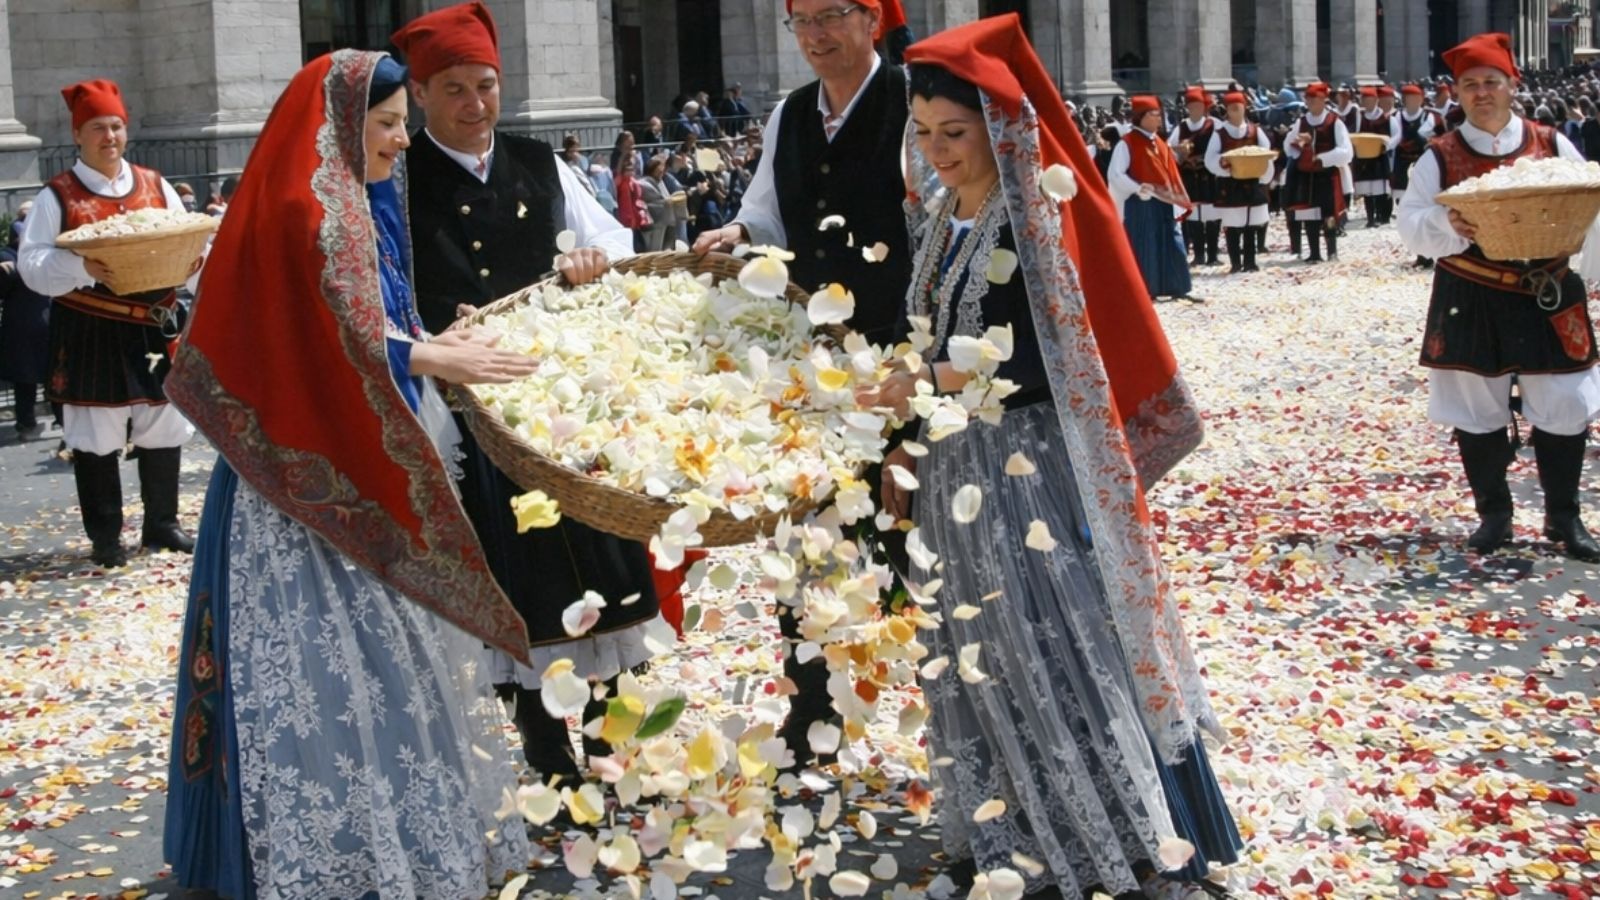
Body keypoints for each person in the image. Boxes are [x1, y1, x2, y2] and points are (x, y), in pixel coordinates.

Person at [870, 16, 1237, 896]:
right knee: (981, 644)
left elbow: (1041, 356)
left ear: (1001, 126)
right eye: (923, 134)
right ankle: (1015, 819)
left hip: (1024, 467)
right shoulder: (940, 217)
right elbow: (917, 329)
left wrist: (922, 374)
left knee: (1056, 636)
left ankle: (1109, 828)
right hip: (954, 467)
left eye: (955, 133)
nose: (939, 150)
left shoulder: (1030, 210)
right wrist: (901, 424)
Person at [162, 50, 533, 899]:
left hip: (359, 456)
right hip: (303, 486)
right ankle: (326, 853)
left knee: (389, 671)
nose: (402, 141)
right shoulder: (301, 210)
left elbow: (373, 317)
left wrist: (437, 340)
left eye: (402, 124)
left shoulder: (359, 203)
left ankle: (388, 836)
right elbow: (308, 345)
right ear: (338, 122)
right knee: (325, 673)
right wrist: (426, 354)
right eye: (389, 124)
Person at [392, 1, 670, 782]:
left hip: (562, 402)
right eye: (454, 89)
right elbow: (381, 296)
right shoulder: (397, 179)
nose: (475, 104)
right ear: (420, 95)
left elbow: (610, 242)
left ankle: (615, 737)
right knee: (521, 575)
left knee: (607, 562)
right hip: (477, 416)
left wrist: (591, 263)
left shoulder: (538, 162)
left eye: (485, 85)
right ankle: (547, 748)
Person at [689, 0, 912, 766]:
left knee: (909, 531)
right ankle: (812, 706)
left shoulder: (915, 104)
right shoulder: (788, 114)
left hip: (902, 362)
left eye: (832, 16)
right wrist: (738, 235)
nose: (816, 36)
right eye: (802, 21)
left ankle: (946, 707)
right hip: (811, 369)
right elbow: (767, 214)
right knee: (810, 538)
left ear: (872, 19)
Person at [1398, 33, 1600, 562]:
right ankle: (1495, 515)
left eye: (1491, 82)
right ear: (1458, 94)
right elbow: (1412, 225)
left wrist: (1591, 270)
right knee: (1475, 405)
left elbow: (1589, 202)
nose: (1481, 93)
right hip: (1472, 290)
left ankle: (1564, 517)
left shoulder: (1551, 143)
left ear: (1513, 86)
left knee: (1565, 402)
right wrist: (1449, 221)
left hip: (1548, 288)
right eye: (1470, 85)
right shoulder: (1438, 156)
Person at [18, 79, 197, 568]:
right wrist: (83, 267)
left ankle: (162, 525)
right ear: (78, 135)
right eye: (98, 128)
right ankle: (106, 537)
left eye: (116, 126)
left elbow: (187, 238)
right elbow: (32, 265)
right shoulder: (58, 195)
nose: (109, 137)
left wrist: (193, 264)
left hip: (154, 324)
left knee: (162, 420)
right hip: (91, 328)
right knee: (95, 430)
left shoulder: (155, 185)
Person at [1109, 95, 1198, 302]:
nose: (1159, 119)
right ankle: (1147, 290)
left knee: (1172, 241)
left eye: (1159, 115)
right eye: (1154, 115)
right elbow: (1115, 175)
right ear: (1141, 117)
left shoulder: (1159, 142)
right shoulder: (1127, 143)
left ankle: (1178, 286)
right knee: (1146, 244)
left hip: (1164, 200)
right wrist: (1138, 187)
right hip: (1142, 203)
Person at [1282, 82, 1353, 263]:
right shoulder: (1301, 122)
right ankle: (1314, 252)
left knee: (1328, 214)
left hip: (1326, 174)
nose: (1311, 102)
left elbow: (1346, 151)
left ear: (1323, 100)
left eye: (1315, 99)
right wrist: (1299, 149)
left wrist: (1322, 158)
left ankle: (1332, 250)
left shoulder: (1334, 122)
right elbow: (1288, 147)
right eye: (1308, 99)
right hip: (1305, 175)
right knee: (1309, 213)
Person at [0, 210, 54, 441]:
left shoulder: (32, 256)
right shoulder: (8, 256)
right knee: (28, 380)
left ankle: (51, 423)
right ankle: (28, 424)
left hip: (39, 323)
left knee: (49, 377)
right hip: (26, 326)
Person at [1205, 91, 1273, 273]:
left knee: (1251, 224)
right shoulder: (1220, 134)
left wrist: (1263, 173)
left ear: (1245, 108)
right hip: (1230, 185)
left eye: (1239, 107)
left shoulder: (1255, 131)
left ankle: (1250, 261)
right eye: (1231, 108)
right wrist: (1224, 165)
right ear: (1226, 110)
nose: (1236, 111)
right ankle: (1236, 262)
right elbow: (1210, 159)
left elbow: (1266, 154)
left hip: (1251, 182)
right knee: (1233, 226)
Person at [1393, 84, 1443, 268]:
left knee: (1426, 210)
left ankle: (1430, 254)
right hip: (1403, 165)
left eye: (1416, 98)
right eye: (1409, 98)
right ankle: (1420, 253)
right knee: (1408, 210)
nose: (1412, 101)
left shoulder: (1429, 116)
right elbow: (1395, 137)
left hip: (1423, 166)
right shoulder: (1398, 116)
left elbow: (1430, 135)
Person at [1171, 87, 1221, 265]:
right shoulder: (1181, 127)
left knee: (1212, 214)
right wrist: (1180, 152)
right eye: (1191, 106)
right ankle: (1198, 255)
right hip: (1190, 176)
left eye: (1198, 105)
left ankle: (1213, 255)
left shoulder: (1214, 125)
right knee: (1193, 216)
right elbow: (1170, 150)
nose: (1195, 109)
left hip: (1209, 175)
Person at [1352, 85, 1400, 228]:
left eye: (1370, 100)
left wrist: (1387, 144)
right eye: (1365, 100)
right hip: (1363, 158)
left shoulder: (1386, 118)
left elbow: (1396, 136)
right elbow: (1354, 133)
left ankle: (1380, 215)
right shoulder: (1359, 118)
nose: (1367, 103)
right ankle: (1370, 218)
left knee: (1379, 189)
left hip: (1379, 157)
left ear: (1376, 100)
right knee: (1367, 190)